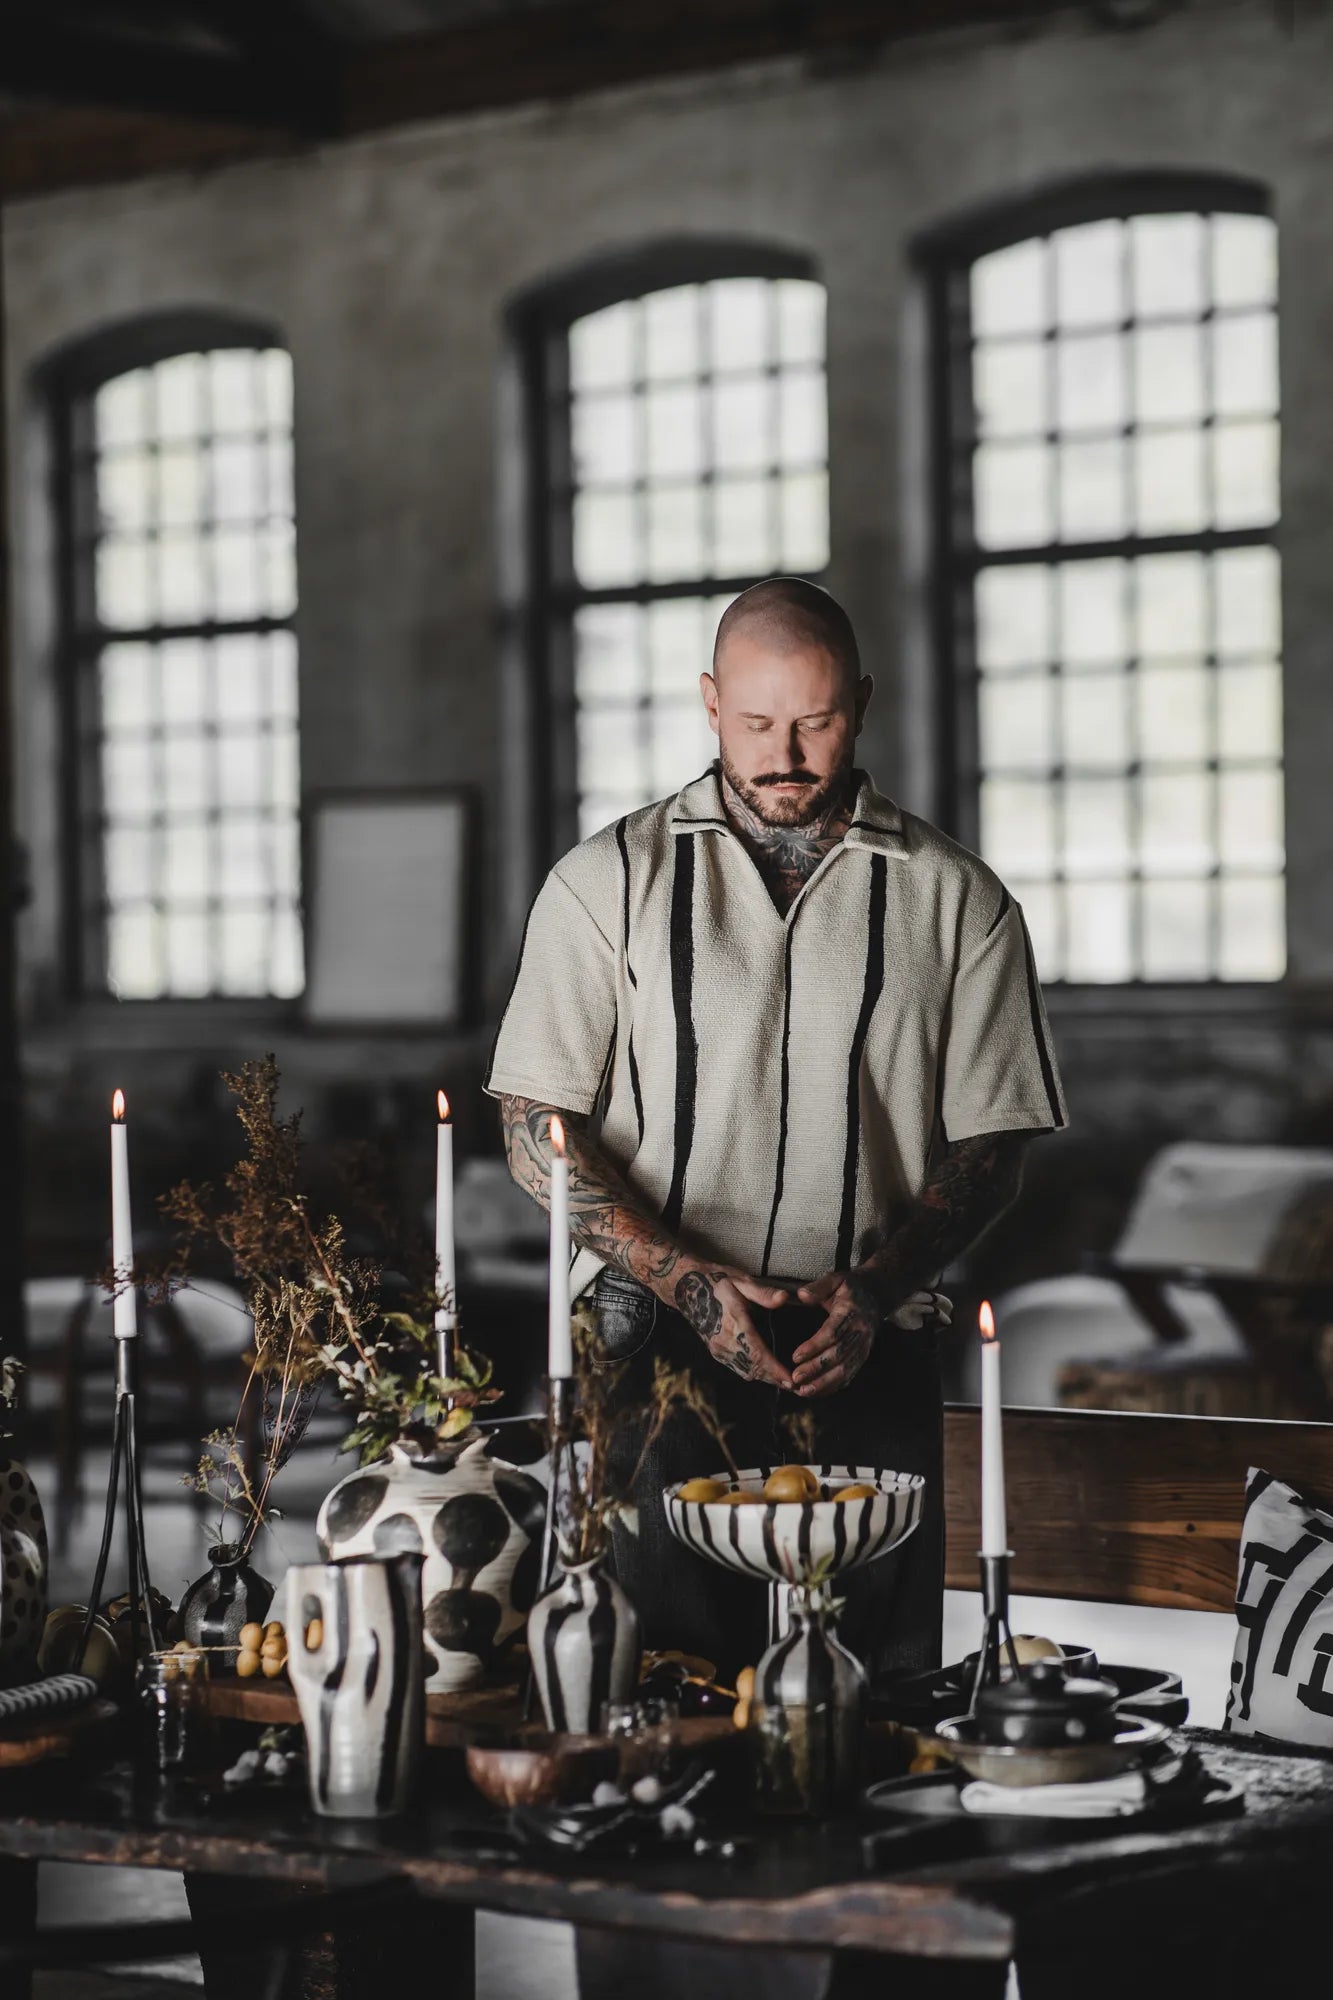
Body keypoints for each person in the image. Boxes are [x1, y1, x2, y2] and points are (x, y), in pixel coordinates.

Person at [486, 577, 1067, 1683]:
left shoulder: (960, 899)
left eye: (815, 721)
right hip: (649, 1343)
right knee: (667, 1696)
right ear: (710, 703)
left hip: (868, 1342)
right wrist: (689, 1281)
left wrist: (875, 1289)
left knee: (875, 1701)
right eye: (755, 723)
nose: (785, 755)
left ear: (863, 704)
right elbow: (532, 1125)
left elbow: (993, 1146)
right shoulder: (603, 882)